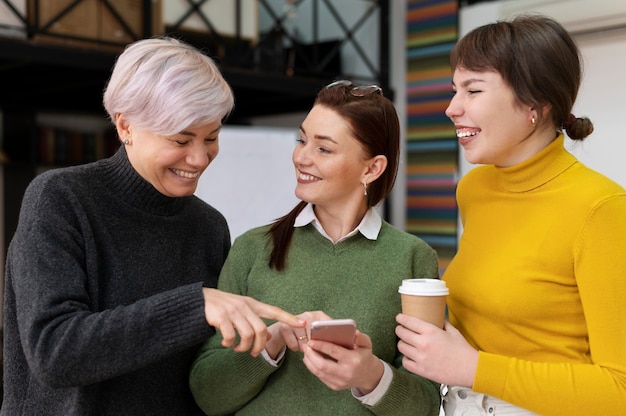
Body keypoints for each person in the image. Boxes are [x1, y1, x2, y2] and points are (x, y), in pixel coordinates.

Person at [1, 37, 303, 415]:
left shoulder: (208, 227)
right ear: (125, 125)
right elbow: (55, 352)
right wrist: (196, 305)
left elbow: (204, 374)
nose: (199, 158)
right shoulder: (60, 200)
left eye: (211, 137)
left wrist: (272, 339)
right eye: (181, 139)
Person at [395, 14, 626, 416]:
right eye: (455, 89)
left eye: (473, 90)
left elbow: (619, 390)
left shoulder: (602, 210)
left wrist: (474, 367)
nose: (452, 108)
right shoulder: (475, 189)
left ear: (535, 103)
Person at [189, 80, 442, 415]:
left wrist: (370, 375)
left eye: (323, 149)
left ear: (372, 168)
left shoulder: (412, 258)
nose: (301, 157)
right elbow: (208, 395)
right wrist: (273, 341)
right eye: (302, 140)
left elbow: (426, 404)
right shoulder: (252, 248)